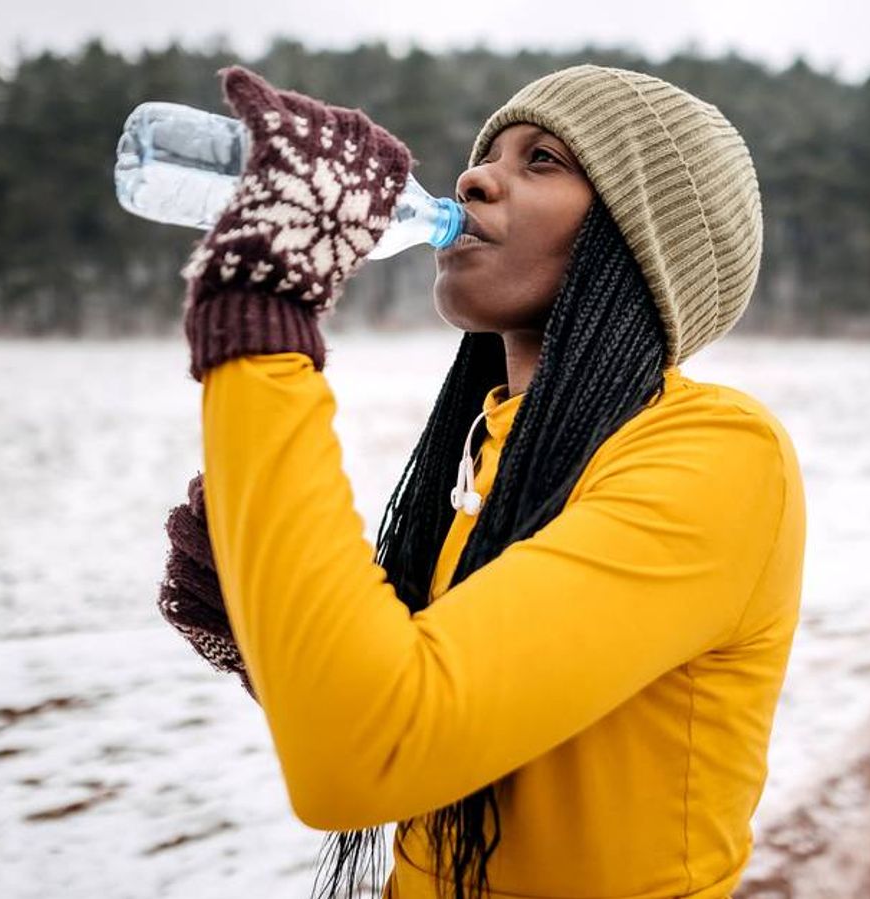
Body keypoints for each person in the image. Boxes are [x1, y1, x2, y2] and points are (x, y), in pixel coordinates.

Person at [155, 63, 806, 899]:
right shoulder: (490, 447)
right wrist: (285, 638)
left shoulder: (718, 456)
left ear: (645, 240)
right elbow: (417, 710)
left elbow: (373, 749)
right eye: (490, 152)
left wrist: (262, 313)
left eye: (544, 161)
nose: (471, 177)